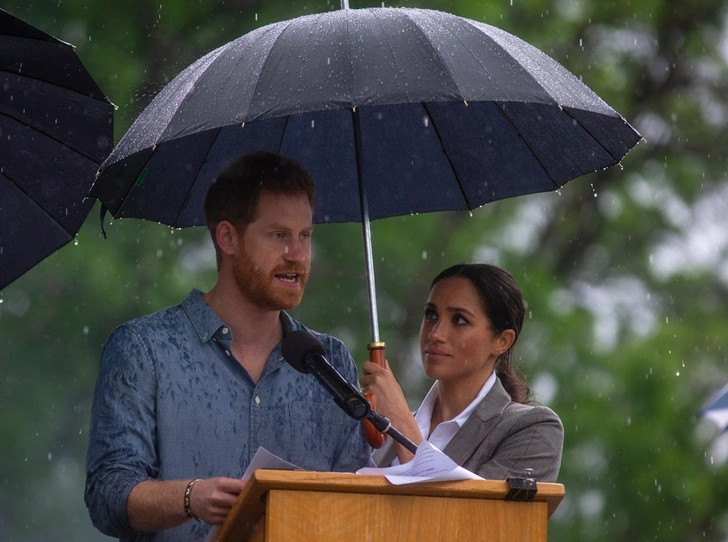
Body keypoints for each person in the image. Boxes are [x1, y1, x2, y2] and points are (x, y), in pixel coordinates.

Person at [85, 151, 372, 541]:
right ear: (227, 237)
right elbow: (106, 494)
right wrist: (190, 497)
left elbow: (356, 507)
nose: (297, 255)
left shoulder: (331, 361)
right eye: (278, 235)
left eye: (305, 236)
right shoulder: (142, 349)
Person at [360, 263, 563, 481]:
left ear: (502, 341)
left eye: (459, 320)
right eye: (431, 315)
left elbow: (470, 513)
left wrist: (401, 425)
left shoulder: (533, 430)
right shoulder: (384, 433)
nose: (436, 334)